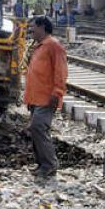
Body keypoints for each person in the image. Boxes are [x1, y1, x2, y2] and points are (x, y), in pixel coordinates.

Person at [24, 16, 67, 178]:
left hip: (47, 98)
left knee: (38, 127)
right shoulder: (39, 46)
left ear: (42, 27)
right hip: (35, 97)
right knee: (36, 130)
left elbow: (61, 72)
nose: (30, 30)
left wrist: (57, 93)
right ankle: (42, 164)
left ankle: (49, 164)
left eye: (33, 27)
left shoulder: (53, 46)